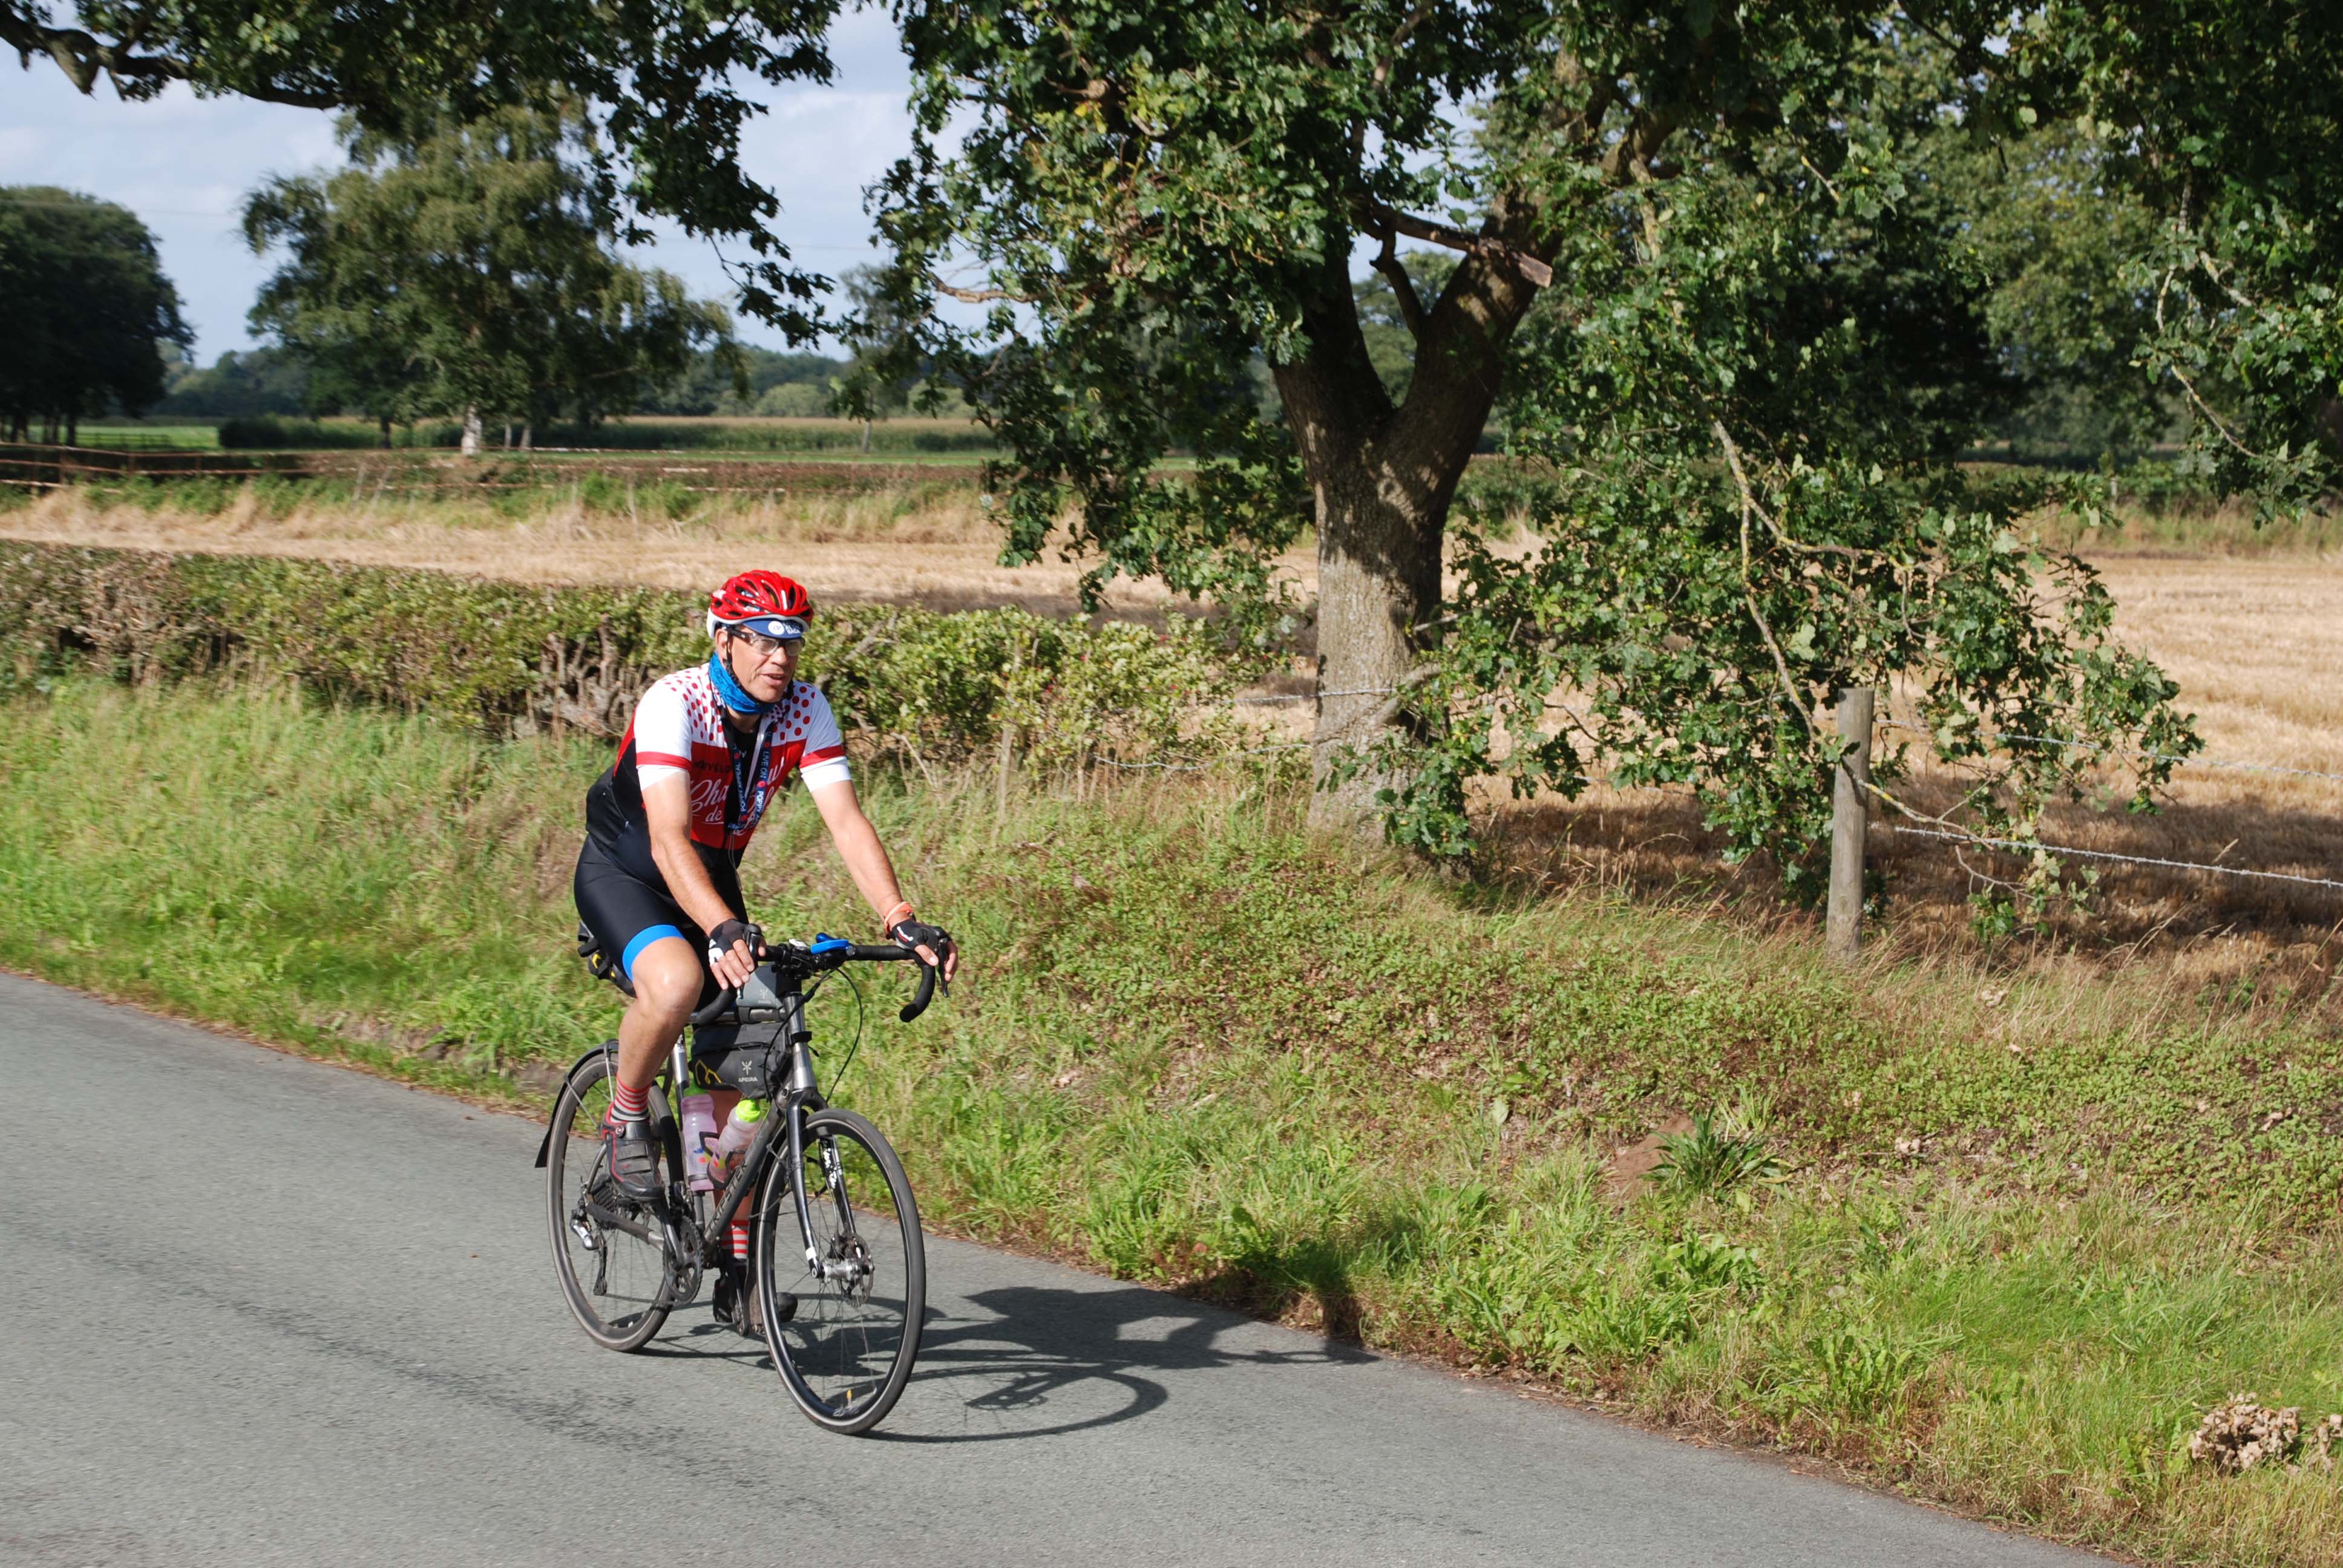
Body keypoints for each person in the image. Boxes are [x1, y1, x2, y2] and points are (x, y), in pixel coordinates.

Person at [574, 569, 956, 1334]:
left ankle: (737, 1270)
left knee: (745, 1071)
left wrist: (899, 917)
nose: (779, 657)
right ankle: (624, 1123)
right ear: (724, 639)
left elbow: (845, 821)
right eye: (761, 640)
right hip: (629, 872)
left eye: (792, 641)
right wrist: (717, 929)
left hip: (707, 882)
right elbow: (665, 837)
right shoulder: (674, 703)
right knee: (679, 982)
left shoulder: (804, 710)